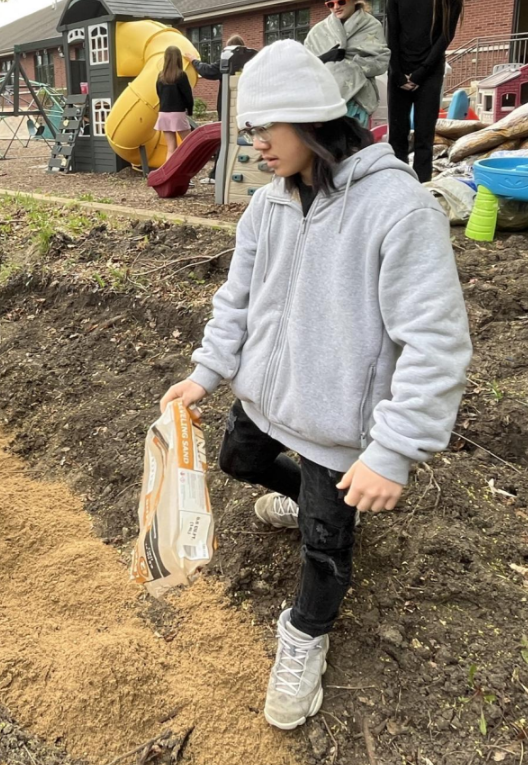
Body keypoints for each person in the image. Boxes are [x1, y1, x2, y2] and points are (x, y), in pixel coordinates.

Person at [160, 41, 471, 731]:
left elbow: (436, 339)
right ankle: (304, 498)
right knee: (237, 459)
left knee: (325, 550)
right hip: (265, 398)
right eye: (250, 130)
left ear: (312, 119)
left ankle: (305, 636)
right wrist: (207, 372)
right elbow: (236, 299)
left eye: (267, 127)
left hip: (336, 425)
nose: (257, 144)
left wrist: (392, 449)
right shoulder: (267, 206)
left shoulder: (397, 208)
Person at [387, 0, 464, 182]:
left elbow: (445, 36)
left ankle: (423, 188)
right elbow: (391, 32)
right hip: (399, 70)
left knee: (424, 137)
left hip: (430, 72)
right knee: (397, 136)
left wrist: (420, 74)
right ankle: (396, 184)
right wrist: (396, 72)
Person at [184, 35, 258, 184]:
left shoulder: (228, 59)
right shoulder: (251, 60)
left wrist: (193, 60)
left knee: (224, 138)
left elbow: (209, 71)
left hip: (227, 105)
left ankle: (216, 175)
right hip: (246, 105)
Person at [305, 0, 390, 128]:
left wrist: (350, 64)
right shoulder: (318, 31)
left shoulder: (371, 26)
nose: (336, 7)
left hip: (358, 99)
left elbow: (381, 62)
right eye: (330, 4)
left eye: (341, 2)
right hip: (327, 101)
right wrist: (325, 58)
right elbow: (305, 65)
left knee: (356, 145)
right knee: (327, 146)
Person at [155, 46, 194, 160]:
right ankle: (187, 172)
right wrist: (190, 111)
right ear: (178, 59)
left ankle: (169, 176)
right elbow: (188, 96)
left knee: (171, 148)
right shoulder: (181, 75)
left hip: (163, 114)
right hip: (177, 114)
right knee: (190, 145)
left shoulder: (160, 76)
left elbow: (159, 94)